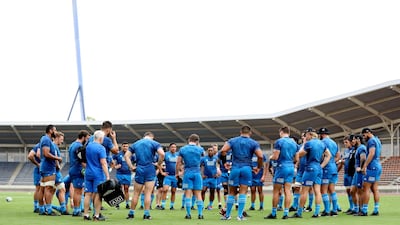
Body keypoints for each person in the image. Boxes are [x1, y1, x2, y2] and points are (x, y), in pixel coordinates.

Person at [220, 125, 264, 221]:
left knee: (231, 192)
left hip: (235, 168)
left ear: (240, 132)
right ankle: (240, 216)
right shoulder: (253, 143)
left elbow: (223, 150)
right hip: (247, 168)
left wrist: (225, 163)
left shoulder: (233, 140)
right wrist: (259, 168)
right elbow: (260, 156)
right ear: (250, 133)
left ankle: (227, 215)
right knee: (243, 192)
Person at [290, 127, 331, 218]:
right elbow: (328, 155)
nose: (305, 136)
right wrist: (322, 166)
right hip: (318, 168)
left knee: (304, 191)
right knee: (317, 191)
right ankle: (316, 212)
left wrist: (302, 146)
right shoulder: (322, 143)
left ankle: (299, 212)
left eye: (306, 135)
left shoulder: (309, 144)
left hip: (310, 168)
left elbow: (300, 154)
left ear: (309, 134)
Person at [125, 131, 165, 220]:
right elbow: (162, 154)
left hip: (139, 168)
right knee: (148, 193)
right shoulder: (154, 143)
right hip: (150, 169)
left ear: (144, 136)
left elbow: (126, 156)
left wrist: (131, 167)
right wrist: (158, 164)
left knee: (136, 193)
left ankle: (131, 213)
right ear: (152, 137)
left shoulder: (136, 143)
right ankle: (146, 214)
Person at [265, 127, 298, 219]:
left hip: (281, 167)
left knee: (276, 191)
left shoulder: (279, 142)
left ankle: (274, 213)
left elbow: (275, 157)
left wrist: (270, 157)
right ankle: (286, 214)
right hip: (290, 167)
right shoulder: (294, 143)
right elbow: (297, 159)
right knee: (288, 190)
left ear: (281, 132)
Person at [175, 134, 205, 219]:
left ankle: (188, 214)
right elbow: (203, 161)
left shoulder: (183, 149)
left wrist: (177, 173)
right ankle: (200, 214)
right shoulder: (200, 149)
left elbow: (178, 162)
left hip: (187, 173)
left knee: (187, 194)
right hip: (197, 173)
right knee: (198, 194)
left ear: (189, 140)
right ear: (197, 141)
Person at [83, 130, 110, 221]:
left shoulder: (88, 146)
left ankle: (86, 214)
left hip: (88, 172)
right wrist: (107, 175)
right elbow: (103, 163)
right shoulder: (101, 148)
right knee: (98, 194)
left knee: (88, 194)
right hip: (98, 173)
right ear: (101, 138)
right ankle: (96, 215)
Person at [38, 124, 62, 216]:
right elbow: (46, 153)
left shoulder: (45, 139)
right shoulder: (46, 139)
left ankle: (41, 209)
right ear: (51, 130)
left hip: (45, 167)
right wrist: (58, 158)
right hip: (48, 167)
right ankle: (48, 209)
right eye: (55, 130)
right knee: (49, 188)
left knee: (43, 188)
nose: (56, 132)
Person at [317, 128, 340, 216]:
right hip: (333, 167)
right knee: (332, 190)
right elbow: (338, 155)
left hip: (326, 168)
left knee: (324, 190)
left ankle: (327, 210)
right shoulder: (334, 142)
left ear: (321, 135)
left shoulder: (323, 143)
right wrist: (333, 162)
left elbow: (322, 155)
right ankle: (334, 210)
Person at [68, 129, 91, 216]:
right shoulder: (79, 146)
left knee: (77, 191)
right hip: (78, 170)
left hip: (73, 169)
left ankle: (77, 209)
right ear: (83, 137)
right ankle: (76, 211)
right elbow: (81, 160)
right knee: (78, 192)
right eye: (87, 138)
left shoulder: (72, 144)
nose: (87, 141)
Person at [360, 128, 382, 216]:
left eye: (364, 135)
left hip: (372, 166)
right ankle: (376, 209)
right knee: (375, 189)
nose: (363, 137)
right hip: (377, 165)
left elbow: (371, 153)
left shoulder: (371, 141)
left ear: (368, 133)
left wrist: (365, 165)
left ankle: (364, 210)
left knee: (366, 188)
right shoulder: (377, 140)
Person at [51, 131, 70, 215]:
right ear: (57, 138)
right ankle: (62, 208)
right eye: (61, 139)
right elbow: (55, 158)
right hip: (55, 171)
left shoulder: (54, 146)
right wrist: (57, 165)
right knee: (62, 189)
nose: (62, 141)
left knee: (52, 190)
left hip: (53, 171)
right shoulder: (54, 146)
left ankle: (49, 206)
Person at [112, 141, 134, 209]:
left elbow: (136, 161)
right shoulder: (118, 154)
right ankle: (117, 203)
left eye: (126, 146)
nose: (125, 147)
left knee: (126, 189)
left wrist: (133, 167)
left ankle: (127, 204)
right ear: (122, 147)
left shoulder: (131, 154)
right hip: (120, 173)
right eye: (124, 146)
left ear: (128, 147)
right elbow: (111, 160)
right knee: (120, 188)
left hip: (128, 174)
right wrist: (115, 166)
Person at [349, 134, 366, 215]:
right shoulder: (357, 148)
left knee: (360, 191)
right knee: (352, 191)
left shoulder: (362, 147)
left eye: (354, 139)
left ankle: (361, 210)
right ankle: (356, 209)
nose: (352, 141)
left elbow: (363, 158)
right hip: (356, 173)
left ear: (358, 139)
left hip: (359, 173)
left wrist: (361, 167)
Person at [340, 134, 356, 214]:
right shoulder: (345, 151)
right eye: (344, 143)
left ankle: (355, 207)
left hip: (351, 173)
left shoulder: (354, 150)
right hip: (346, 173)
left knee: (352, 191)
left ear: (350, 142)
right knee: (348, 190)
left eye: (346, 142)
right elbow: (345, 161)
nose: (345, 144)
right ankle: (351, 207)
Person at [161, 143, 179, 210]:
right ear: (169, 148)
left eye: (175, 147)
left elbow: (182, 164)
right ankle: (163, 205)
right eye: (172, 147)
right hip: (168, 176)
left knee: (173, 191)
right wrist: (162, 172)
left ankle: (172, 206)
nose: (173, 148)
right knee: (165, 189)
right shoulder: (166, 154)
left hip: (175, 176)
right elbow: (159, 163)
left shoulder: (178, 155)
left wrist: (180, 172)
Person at [27, 142, 41, 213]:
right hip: (40, 170)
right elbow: (30, 156)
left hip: (40, 169)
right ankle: (37, 206)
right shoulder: (40, 145)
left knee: (41, 188)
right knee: (39, 188)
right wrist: (38, 164)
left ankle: (38, 206)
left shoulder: (38, 145)